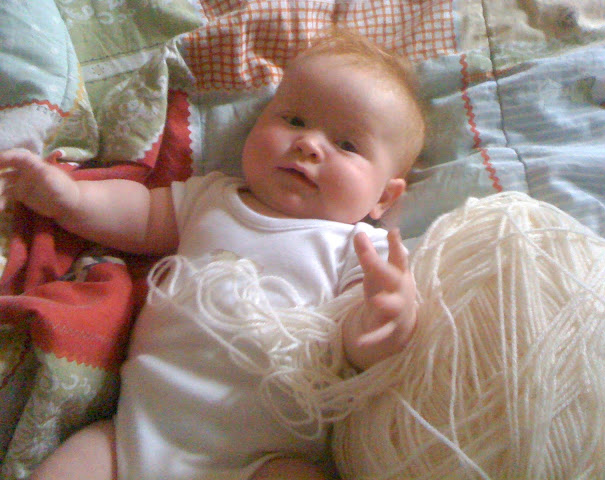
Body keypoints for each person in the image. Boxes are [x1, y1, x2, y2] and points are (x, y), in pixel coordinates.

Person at [0, 30, 427, 480]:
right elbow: (139, 214)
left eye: (347, 145)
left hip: (262, 459)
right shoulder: (212, 197)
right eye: (295, 120)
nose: (309, 144)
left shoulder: (362, 249)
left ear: (384, 197)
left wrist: (385, 317)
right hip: (134, 435)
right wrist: (69, 198)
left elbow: (363, 350)